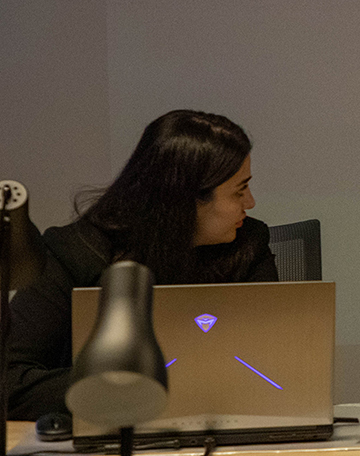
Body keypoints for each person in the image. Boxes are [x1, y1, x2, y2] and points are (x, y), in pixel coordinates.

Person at [5, 109, 275, 421]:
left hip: (226, 427)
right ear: (185, 202)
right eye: (239, 191)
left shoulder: (249, 243)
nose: (250, 203)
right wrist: (121, 388)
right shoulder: (75, 253)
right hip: (109, 430)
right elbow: (10, 380)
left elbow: (273, 364)